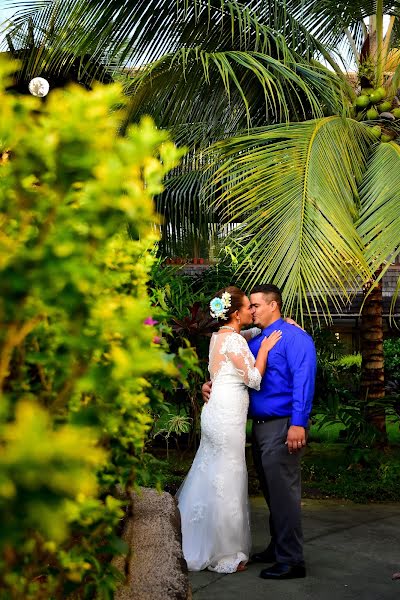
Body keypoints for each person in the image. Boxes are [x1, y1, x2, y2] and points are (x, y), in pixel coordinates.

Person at [202, 283, 317, 580]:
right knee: (272, 493)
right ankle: (278, 547)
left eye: (256, 306)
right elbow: (234, 371)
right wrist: (211, 386)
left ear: (273, 305)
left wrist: (298, 423)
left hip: (283, 426)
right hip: (258, 428)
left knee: (285, 495)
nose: (251, 310)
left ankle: (292, 560)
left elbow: (303, 381)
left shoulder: (295, 338)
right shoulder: (253, 340)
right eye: (249, 306)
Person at [176, 286, 282, 574]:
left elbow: (246, 336)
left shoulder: (219, 337)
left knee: (209, 473)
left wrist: (269, 330)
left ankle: (196, 541)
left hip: (216, 414)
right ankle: (224, 552)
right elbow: (255, 378)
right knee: (227, 477)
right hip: (227, 417)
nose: (252, 310)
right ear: (236, 313)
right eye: (248, 307)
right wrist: (267, 350)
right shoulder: (235, 342)